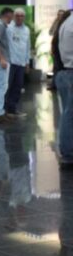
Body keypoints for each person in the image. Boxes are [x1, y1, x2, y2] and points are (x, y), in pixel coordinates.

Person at [5, 8, 31, 119]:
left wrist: (27, 62)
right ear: (14, 17)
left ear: (24, 17)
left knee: (18, 86)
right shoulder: (8, 28)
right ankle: (3, 110)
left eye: (21, 15)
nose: (19, 17)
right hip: (10, 62)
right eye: (17, 15)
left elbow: (28, 46)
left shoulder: (26, 30)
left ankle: (12, 109)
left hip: (21, 63)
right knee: (7, 86)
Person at [55, 10, 73, 169]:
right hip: (70, 73)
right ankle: (68, 153)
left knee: (68, 114)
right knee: (70, 115)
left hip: (65, 73)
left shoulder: (66, 22)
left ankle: (67, 152)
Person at [0, 7, 14, 124]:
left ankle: (0, 111)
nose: (12, 19)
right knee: (2, 87)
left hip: (1, 60)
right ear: (8, 15)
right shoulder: (1, 25)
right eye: (11, 16)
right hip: (2, 60)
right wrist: (2, 59)